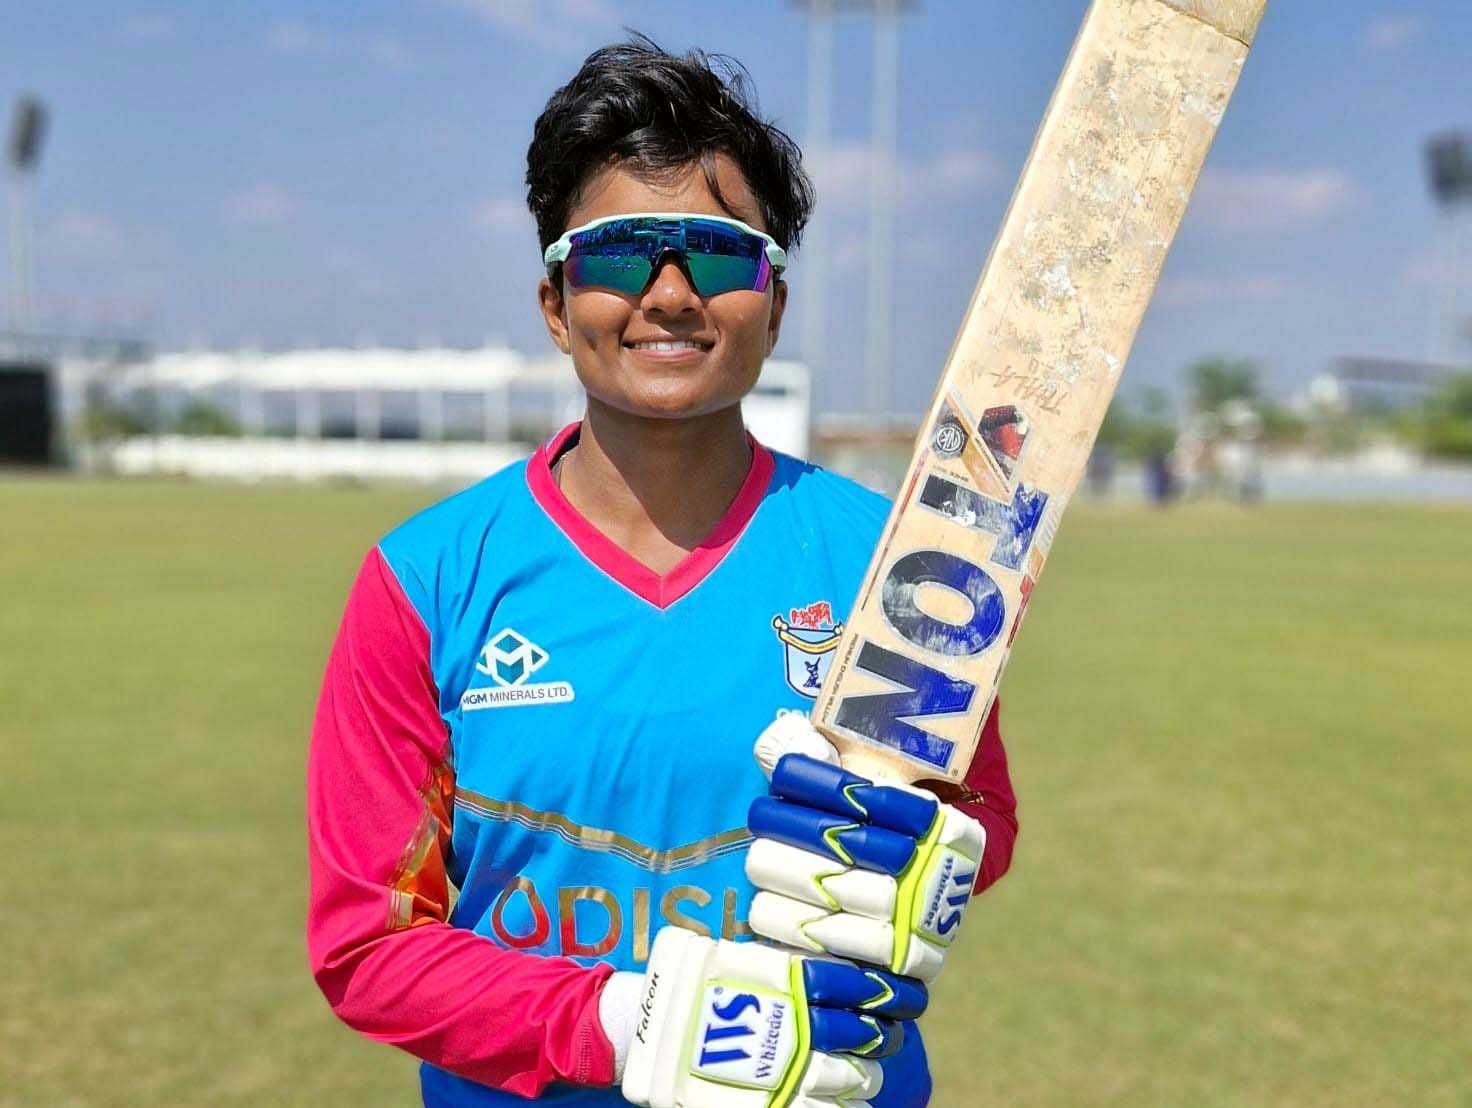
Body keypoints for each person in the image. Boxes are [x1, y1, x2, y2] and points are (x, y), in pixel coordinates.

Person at [307, 38, 1019, 1108]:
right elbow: (369, 943)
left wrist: (931, 856)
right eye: (619, 253)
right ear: (557, 304)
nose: (672, 294)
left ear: (774, 306)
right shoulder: (427, 579)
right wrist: (620, 1020)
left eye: (721, 256)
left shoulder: (899, 562)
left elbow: (979, 817)